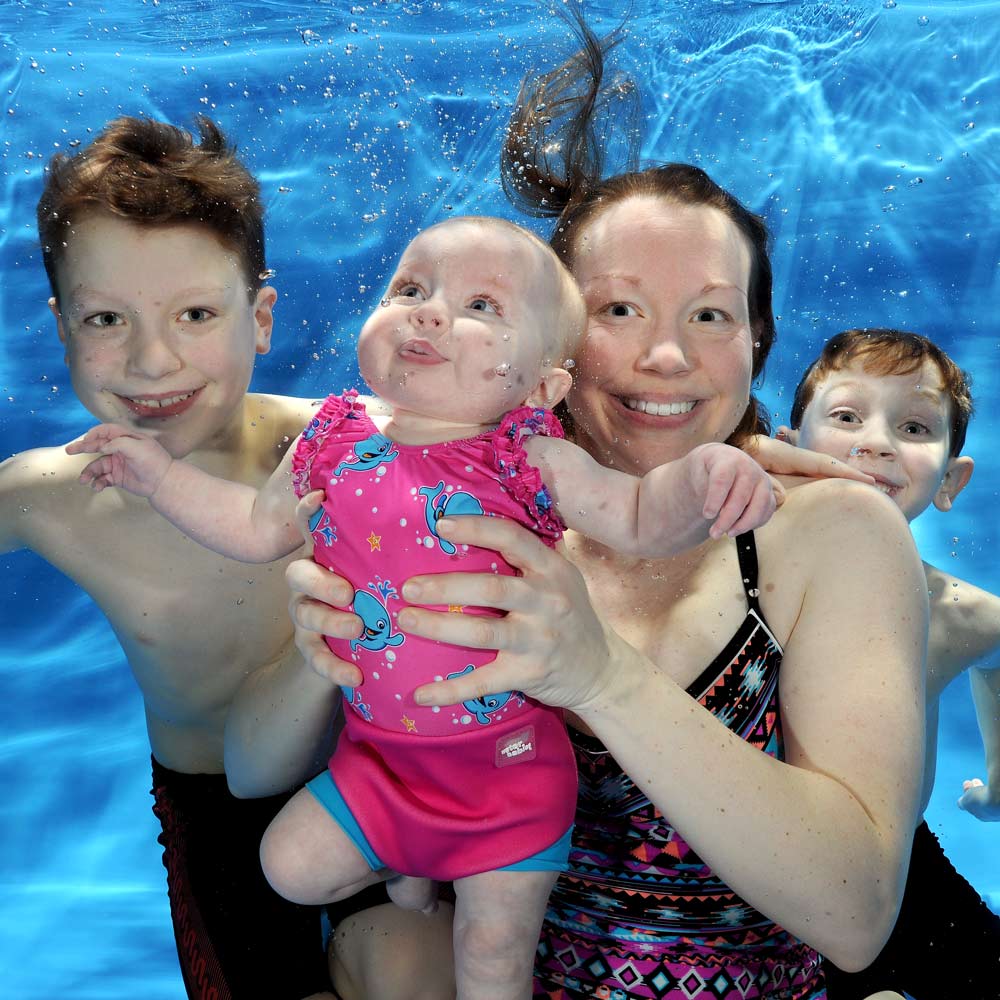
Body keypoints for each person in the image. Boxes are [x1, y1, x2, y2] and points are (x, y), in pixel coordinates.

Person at [275, 24, 928, 1000]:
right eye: (619, 311)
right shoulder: (468, 499)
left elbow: (855, 915)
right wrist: (319, 644)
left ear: (756, 340)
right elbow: (310, 797)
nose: (665, 358)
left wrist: (601, 676)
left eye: (708, 315)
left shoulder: (821, 532)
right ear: (552, 348)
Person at [68, 214, 780, 1000]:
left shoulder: (528, 454)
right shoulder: (332, 437)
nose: (431, 312)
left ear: (543, 385)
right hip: (378, 760)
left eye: (483, 307)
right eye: (411, 288)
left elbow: (641, 517)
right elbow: (254, 528)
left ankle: (429, 877)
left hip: (505, 777)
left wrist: (710, 473)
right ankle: (413, 866)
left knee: (490, 961)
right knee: (288, 869)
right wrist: (157, 478)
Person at [0, 115, 336, 999]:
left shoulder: (336, 450)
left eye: (195, 313)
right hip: (217, 826)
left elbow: (521, 449)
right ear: (63, 328)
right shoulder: (48, 498)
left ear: (260, 318)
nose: (153, 360)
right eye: (108, 318)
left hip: (387, 777)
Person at [780, 328, 1000, 999]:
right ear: (787, 455)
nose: (876, 442)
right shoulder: (735, 579)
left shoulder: (961, 613)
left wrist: (997, 776)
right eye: (847, 417)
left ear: (950, 479)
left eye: (912, 426)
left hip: (896, 862)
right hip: (749, 865)